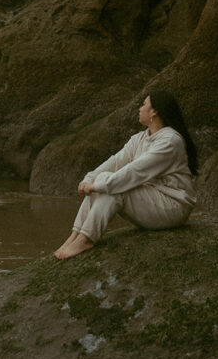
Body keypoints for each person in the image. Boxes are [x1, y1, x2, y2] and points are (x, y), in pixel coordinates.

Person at [54, 91, 198, 260]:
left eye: (144, 104)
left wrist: (95, 186)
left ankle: (86, 238)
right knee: (105, 178)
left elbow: (136, 171)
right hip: (151, 199)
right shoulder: (140, 138)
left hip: (172, 206)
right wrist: (89, 178)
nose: (139, 108)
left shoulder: (170, 141)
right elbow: (116, 162)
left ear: (154, 112)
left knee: (115, 188)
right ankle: (75, 235)